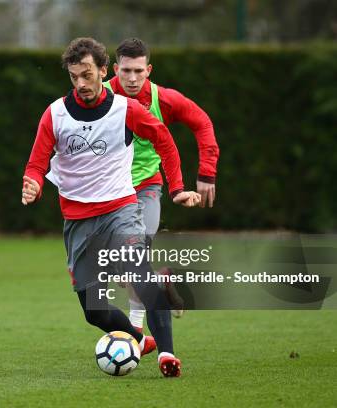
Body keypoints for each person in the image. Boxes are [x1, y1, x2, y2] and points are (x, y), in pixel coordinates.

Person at [22, 37, 201, 377]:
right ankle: (137, 339)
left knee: (141, 276)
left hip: (120, 210)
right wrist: (31, 182)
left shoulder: (126, 109)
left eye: (87, 75)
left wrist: (177, 187)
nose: (81, 83)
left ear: (104, 72)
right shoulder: (55, 114)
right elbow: (36, 163)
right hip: (77, 221)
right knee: (95, 312)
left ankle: (167, 354)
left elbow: (164, 140)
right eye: (74, 77)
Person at [104, 38, 220, 330]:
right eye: (126, 71)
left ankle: (135, 334)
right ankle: (162, 281)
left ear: (149, 70)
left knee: (132, 258)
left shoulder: (163, 99)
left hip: (146, 189)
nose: (132, 78)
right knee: (118, 268)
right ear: (114, 69)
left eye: (138, 71)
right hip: (105, 194)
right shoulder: (98, 96)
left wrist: (206, 172)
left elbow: (202, 122)